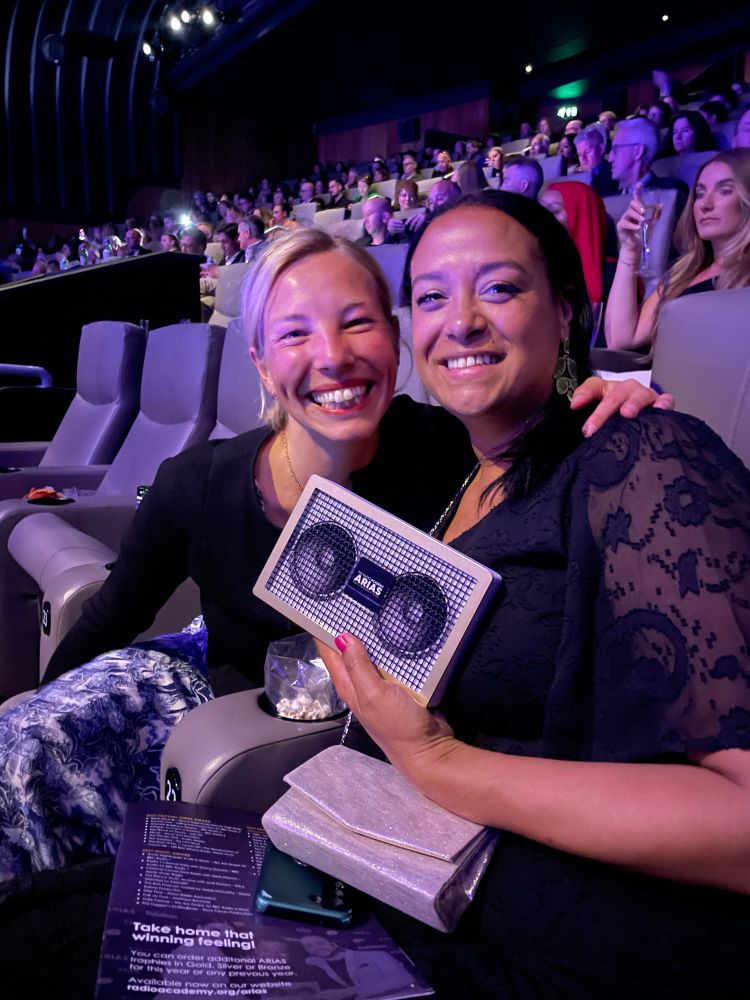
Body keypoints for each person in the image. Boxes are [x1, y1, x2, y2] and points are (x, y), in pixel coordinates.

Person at [0, 226, 666, 886]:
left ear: (396, 341)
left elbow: (544, 412)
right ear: (261, 361)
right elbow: (110, 616)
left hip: (355, 756)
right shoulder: (195, 483)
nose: (333, 357)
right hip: (209, 696)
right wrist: (35, 698)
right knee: (20, 759)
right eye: (295, 334)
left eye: (357, 323)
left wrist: (605, 394)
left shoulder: (454, 451)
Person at [319, 190, 750, 999]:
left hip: (565, 947)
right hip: (390, 878)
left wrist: (433, 759)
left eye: (501, 288)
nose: (463, 320)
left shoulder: (644, 453)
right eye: (432, 296)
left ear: (564, 314)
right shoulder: (448, 470)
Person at [605, 148, 750, 353]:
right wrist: (629, 250)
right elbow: (621, 339)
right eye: (700, 193)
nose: (705, 205)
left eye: (725, 191)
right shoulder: (683, 272)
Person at [540, 180, 613, 311]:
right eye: (540, 211)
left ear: (581, 218)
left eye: (554, 211)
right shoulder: (539, 263)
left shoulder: (613, 277)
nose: (542, 218)